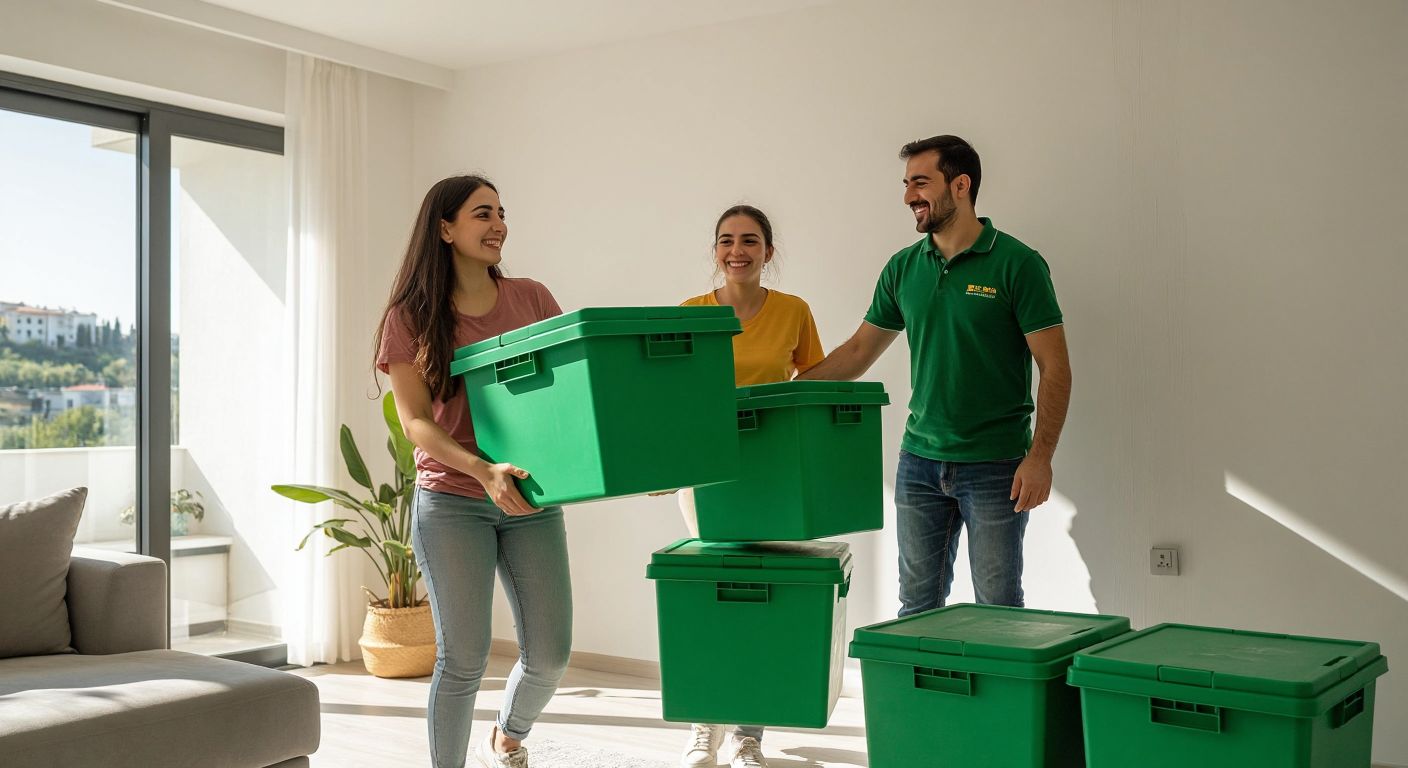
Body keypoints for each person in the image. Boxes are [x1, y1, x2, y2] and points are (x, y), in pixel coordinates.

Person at [798, 135, 1072, 616]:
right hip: (919, 465)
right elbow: (859, 351)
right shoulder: (904, 268)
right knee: (917, 605)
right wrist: (783, 396)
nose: (908, 197)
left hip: (996, 468)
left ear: (961, 185)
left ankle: (1002, 693)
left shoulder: (1017, 264)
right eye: (906, 185)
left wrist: (1040, 458)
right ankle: (920, 694)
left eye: (920, 183)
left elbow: (1056, 367)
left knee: (998, 609)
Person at [375, 175, 571, 768]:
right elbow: (414, 422)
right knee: (462, 658)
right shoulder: (409, 316)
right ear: (445, 228)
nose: (499, 225)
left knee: (551, 654)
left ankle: (509, 733)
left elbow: (569, 394)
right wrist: (482, 470)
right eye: (483, 214)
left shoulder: (531, 298)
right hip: (453, 501)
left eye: (502, 213)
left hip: (530, 499)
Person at [676, 204, 824, 768]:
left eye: (750, 240)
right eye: (726, 240)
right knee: (714, 593)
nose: (737, 250)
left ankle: (746, 734)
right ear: (715, 250)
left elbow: (810, 389)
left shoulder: (794, 312)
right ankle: (702, 723)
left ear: (768, 251)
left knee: (757, 597)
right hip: (706, 471)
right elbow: (674, 396)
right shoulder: (691, 311)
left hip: (771, 471)